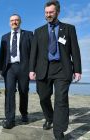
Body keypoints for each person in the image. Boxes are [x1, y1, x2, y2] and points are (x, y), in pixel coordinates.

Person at [29, 1, 82, 139]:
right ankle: (49, 117)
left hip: (62, 69)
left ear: (57, 12)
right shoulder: (38, 31)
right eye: (46, 13)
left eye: (51, 12)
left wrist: (77, 69)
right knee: (43, 97)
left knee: (61, 100)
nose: (48, 15)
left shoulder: (69, 28)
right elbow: (34, 52)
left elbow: (75, 51)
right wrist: (31, 69)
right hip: (43, 69)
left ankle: (58, 131)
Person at [0, 14, 33, 129]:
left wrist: (33, 69)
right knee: (9, 93)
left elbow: (33, 53)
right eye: (12, 20)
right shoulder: (4, 37)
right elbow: (2, 55)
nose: (14, 22)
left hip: (24, 67)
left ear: (20, 22)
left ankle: (24, 113)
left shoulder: (28, 34)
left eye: (16, 20)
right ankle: (10, 119)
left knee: (23, 91)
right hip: (9, 68)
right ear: (9, 23)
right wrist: (0, 69)